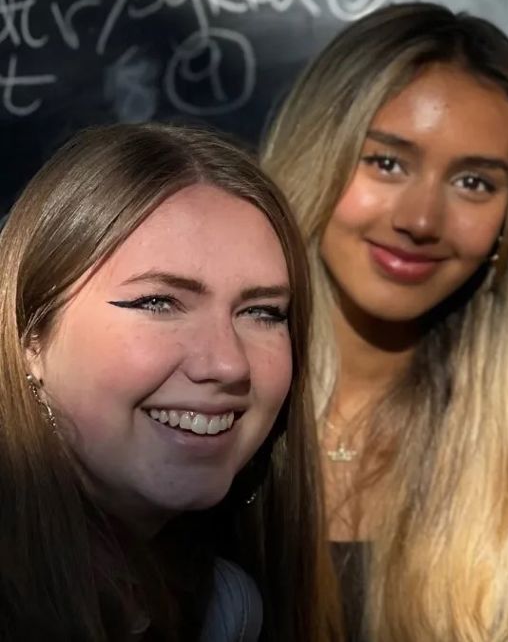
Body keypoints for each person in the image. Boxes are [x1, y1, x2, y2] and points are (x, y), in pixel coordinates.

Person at [262, 3, 508, 642]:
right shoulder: (209, 400)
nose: (421, 220)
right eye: (387, 163)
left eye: (474, 182)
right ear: (318, 156)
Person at [0, 122, 340, 641]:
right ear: (32, 338)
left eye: (263, 313)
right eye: (159, 303)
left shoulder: (227, 607)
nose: (227, 364)